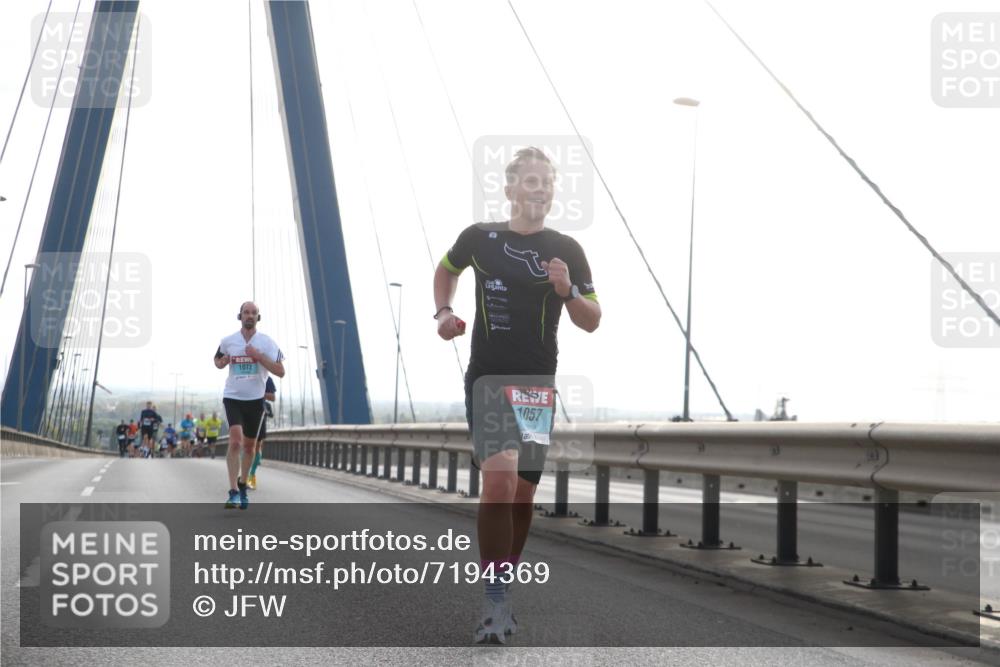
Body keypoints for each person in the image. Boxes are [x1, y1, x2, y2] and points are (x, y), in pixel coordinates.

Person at [433, 147, 601, 644]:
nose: (542, 189)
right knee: (500, 485)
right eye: (531, 181)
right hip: (487, 377)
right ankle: (495, 601)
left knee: (524, 494)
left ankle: (503, 579)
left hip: (536, 385)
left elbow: (592, 320)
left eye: (547, 182)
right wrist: (444, 313)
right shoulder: (480, 238)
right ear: (510, 190)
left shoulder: (565, 248)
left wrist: (569, 291)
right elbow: (446, 268)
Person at [214, 301, 285, 509]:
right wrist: (223, 361)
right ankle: (233, 491)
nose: (250, 316)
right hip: (233, 397)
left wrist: (259, 357)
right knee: (235, 442)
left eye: (254, 313)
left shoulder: (267, 343)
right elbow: (217, 361)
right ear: (240, 316)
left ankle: (243, 483)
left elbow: (280, 371)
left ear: (258, 317)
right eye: (246, 312)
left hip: (255, 400)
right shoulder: (228, 341)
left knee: (249, 447)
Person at [247, 376, 276, 490]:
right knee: (246, 446)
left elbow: (273, 397)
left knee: (257, 445)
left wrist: (259, 393)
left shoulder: (267, 378)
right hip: (244, 413)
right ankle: (244, 475)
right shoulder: (245, 375)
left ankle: (252, 475)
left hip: (259, 414)